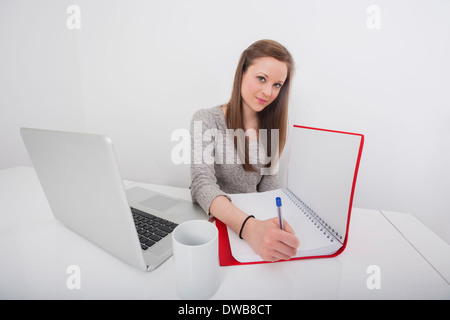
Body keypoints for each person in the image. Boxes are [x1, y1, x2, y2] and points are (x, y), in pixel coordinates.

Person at [190, 39, 300, 262]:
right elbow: (201, 185)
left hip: (254, 228)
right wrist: (250, 228)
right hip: (217, 226)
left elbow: (269, 191)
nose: (268, 91)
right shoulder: (207, 120)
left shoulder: (272, 129)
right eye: (261, 78)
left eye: (277, 85)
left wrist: (272, 228)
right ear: (242, 73)